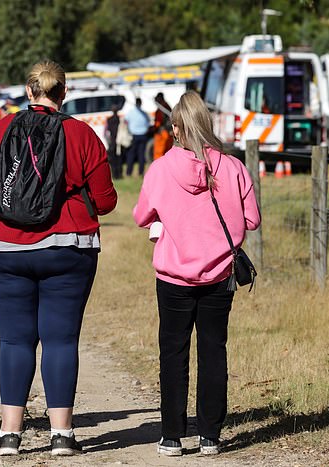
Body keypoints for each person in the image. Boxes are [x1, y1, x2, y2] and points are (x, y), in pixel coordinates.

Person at [0, 59, 117, 457]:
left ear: (28, 90)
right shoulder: (82, 134)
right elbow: (105, 202)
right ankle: (62, 435)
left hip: (4, 248)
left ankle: (9, 435)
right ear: (63, 92)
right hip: (68, 247)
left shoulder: (2, 128)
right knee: (60, 339)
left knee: (14, 339)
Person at [133, 91, 261, 456]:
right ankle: (210, 436)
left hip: (173, 275)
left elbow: (141, 215)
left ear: (175, 129)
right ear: (207, 124)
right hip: (221, 274)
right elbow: (252, 218)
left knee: (173, 353)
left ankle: (172, 436)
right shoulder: (233, 168)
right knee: (213, 351)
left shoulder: (160, 169)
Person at [124, 97, 151, 176]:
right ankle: (140, 172)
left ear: (135, 103)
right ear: (141, 103)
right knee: (141, 154)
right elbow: (148, 122)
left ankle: (129, 172)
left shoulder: (131, 113)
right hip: (143, 135)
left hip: (134, 135)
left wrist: (129, 129)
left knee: (131, 154)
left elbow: (125, 121)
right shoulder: (144, 113)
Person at [152, 92, 173, 160]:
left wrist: (154, 129)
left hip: (162, 134)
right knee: (167, 153)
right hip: (167, 133)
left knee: (159, 154)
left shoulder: (162, 108)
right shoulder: (166, 106)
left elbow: (158, 122)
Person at [104, 105, 122, 179]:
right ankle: (119, 174)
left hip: (112, 141)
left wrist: (108, 141)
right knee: (119, 158)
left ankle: (115, 175)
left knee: (113, 159)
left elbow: (105, 132)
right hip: (119, 141)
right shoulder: (120, 119)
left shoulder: (109, 120)